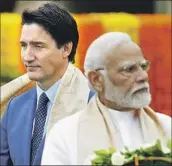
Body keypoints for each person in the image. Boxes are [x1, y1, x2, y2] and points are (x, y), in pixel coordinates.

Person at [41, 32, 171, 165]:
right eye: (129, 69)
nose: (143, 76)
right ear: (96, 79)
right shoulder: (66, 134)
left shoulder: (167, 127)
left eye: (143, 67)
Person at [0, 3, 95, 166]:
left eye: (38, 46)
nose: (27, 57)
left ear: (66, 49)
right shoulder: (14, 107)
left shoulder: (94, 105)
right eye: (24, 46)